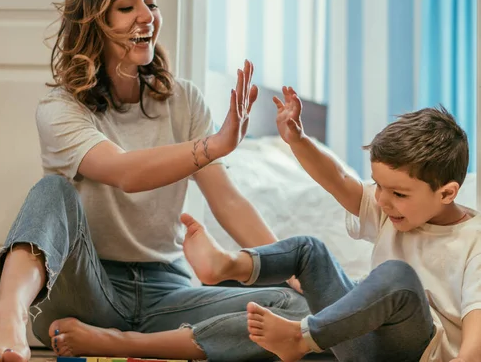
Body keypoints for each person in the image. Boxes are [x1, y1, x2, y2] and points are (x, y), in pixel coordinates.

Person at [0, 0, 309, 361]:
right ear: (93, 20)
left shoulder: (184, 101)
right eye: (126, 7)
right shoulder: (61, 109)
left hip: (169, 293)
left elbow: (228, 202)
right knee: (52, 191)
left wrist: (291, 270)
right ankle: (7, 323)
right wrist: (213, 146)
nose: (147, 16)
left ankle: (122, 345)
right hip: (89, 291)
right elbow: (126, 172)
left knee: (294, 311)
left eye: (150, 3)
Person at [179, 86, 481, 362]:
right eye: (378, 186)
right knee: (310, 249)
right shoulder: (388, 209)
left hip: (418, 354)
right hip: (362, 345)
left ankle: (301, 337)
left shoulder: (472, 241)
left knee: (396, 277)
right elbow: (339, 179)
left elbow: (476, 326)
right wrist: (298, 140)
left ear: (447, 193)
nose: (382, 201)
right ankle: (227, 265)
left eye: (398, 193)